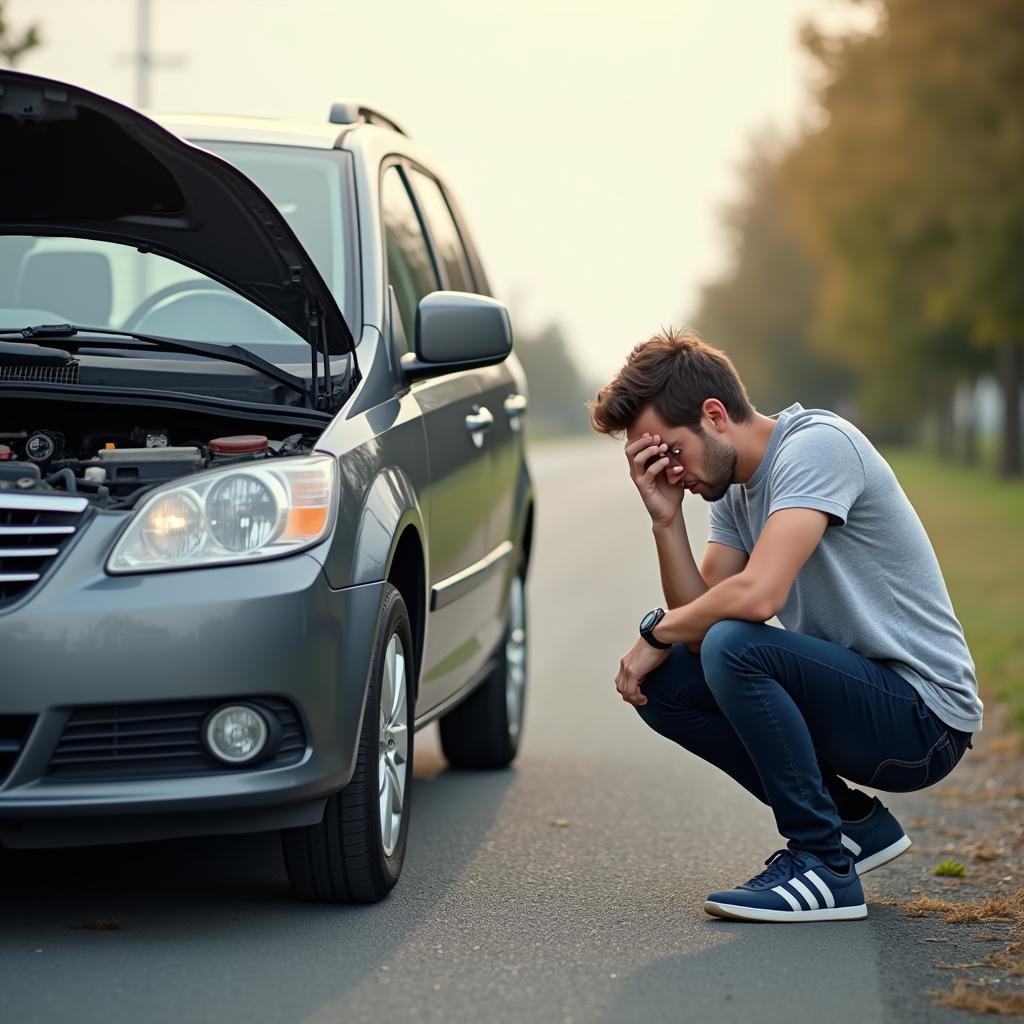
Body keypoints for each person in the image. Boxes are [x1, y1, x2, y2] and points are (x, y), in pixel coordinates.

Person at [589, 328, 982, 923]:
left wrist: (651, 634)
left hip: (923, 719)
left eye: (671, 450)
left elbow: (756, 597)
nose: (670, 470)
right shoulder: (734, 491)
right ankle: (852, 826)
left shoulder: (817, 446)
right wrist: (666, 522)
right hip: (860, 703)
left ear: (714, 415)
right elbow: (698, 630)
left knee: (734, 644)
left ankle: (823, 864)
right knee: (666, 684)